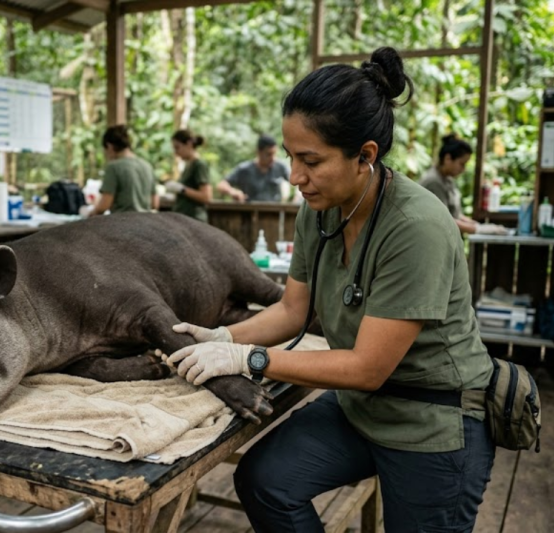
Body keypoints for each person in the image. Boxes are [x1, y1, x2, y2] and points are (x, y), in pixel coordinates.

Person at [164, 47, 495, 532]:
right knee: (265, 481)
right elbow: (293, 311)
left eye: (310, 160)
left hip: (433, 419)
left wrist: (250, 359)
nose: (295, 176)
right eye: (291, 157)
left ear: (366, 156)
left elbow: (366, 367)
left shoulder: (417, 226)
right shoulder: (318, 208)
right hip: (363, 410)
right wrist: (224, 339)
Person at [420, 134, 506, 234]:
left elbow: (454, 214)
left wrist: (474, 224)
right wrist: (478, 229)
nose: (463, 169)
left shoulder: (447, 179)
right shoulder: (433, 182)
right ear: (448, 159)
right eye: (462, 164)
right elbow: (444, 220)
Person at [90, 125, 158, 216]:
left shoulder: (113, 167)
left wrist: (89, 215)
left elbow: (104, 206)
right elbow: (155, 204)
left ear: (109, 146)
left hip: (123, 222)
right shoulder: (147, 166)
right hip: (145, 222)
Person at [217, 134, 290, 202]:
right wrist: (233, 192)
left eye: (274, 154)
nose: (272, 158)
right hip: (249, 212)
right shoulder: (244, 169)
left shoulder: (280, 167)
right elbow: (221, 185)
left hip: (274, 212)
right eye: (269, 154)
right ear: (258, 152)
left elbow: (296, 181)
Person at [165, 129, 213, 222]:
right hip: (184, 220)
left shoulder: (199, 165)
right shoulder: (188, 165)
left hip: (194, 222)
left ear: (189, 144)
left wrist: (182, 189)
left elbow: (206, 197)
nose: (176, 152)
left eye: (177, 147)